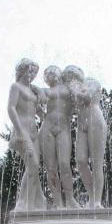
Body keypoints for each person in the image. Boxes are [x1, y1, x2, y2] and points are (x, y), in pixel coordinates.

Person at [7, 58, 46, 211]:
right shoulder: (15, 87)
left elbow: (36, 110)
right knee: (33, 164)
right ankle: (23, 203)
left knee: (34, 167)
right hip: (22, 128)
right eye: (30, 71)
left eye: (35, 72)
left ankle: (36, 201)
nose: (32, 74)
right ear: (22, 70)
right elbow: (11, 108)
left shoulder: (32, 90)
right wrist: (19, 130)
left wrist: (44, 116)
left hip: (33, 129)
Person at [38, 66, 76, 208]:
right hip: (47, 128)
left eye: (52, 71)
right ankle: (58, 202)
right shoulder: (45, 91)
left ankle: (70, 199)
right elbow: (34, 102)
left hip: (63, 128)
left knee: (65, 164)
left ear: (59, 73)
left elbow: (77, 101)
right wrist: (42, 116)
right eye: (46, 73)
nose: (49, 74)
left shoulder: (68, 89)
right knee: (51, 168)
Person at [74, 76, 107, 209]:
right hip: (82, 124)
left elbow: (87, 97)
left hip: (95, 121)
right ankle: (92, 196)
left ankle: (97, 201)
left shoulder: (93, 82)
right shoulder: (78, 87)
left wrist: (74, 90)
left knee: (96, 163)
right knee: (80, 161)